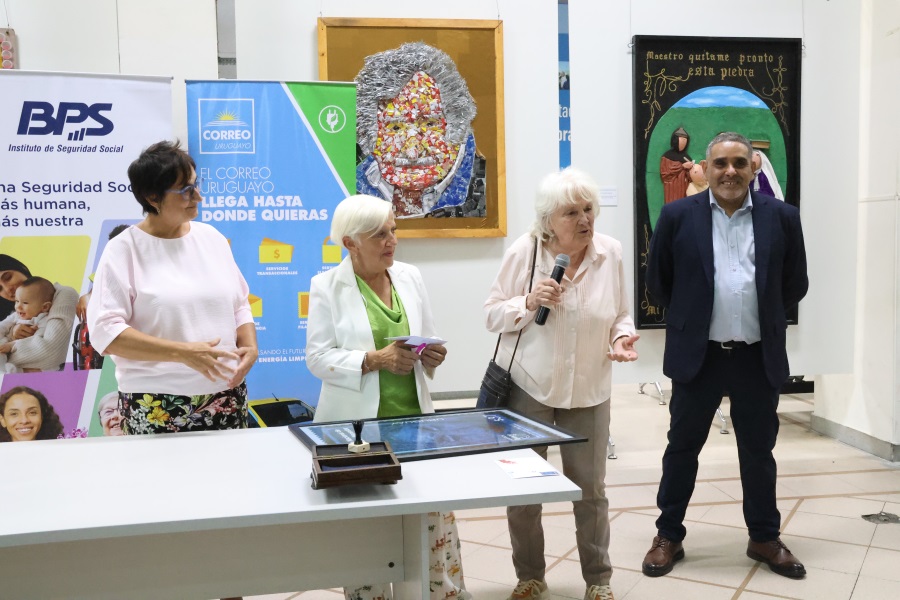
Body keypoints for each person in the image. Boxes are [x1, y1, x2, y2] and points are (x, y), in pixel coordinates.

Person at [644, 132, 809, 580]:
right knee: (682, 448)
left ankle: (764, 537)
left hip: (757, 356)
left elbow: (795, 283)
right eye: (721, 163)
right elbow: (658, 281)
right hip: (700, 356)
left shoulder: (783, 217)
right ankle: (668, 535)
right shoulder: (678, 216)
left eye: (740, 162)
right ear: (706, 167)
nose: (730, 172)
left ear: (754, 167)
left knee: (759, 450)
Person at [484, 167, 640, 600]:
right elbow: (491, 313)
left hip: (590, 389)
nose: (585, 219)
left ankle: (599, 581)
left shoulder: (611, 253)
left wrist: (622, 337)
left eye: (589, 208)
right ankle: (530, 576)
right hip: (528, 388)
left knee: (591, 491)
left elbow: (621, 313)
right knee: (524, 489)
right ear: (548, 219)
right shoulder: (525, 252)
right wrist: (528, 301)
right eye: (571, 212)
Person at [306, 194, 468, 600]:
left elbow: (427, 340)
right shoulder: (326, 286)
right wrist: (373, 359)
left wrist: (433, 354)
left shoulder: (410, 276)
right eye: (380, 234)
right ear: (350, 243)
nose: (392, 239)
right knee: (367, 530)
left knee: (428, 520)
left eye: (393, 229)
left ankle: (439, 594)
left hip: (414, 423)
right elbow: (317, 358)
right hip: (356, 433)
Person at [86, 141, 257, 435]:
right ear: (153, 197)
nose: (198, 197)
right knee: (157, 482)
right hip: (156, 404)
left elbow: (239, 303)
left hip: (227, 398)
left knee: (229, 480)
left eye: (196, 185)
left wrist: (250, 346)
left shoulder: (211, 238)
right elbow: (106, 333)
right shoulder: (123, 250)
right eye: (186, 190)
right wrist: (182, 353)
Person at [355, 42, 486, 218]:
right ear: (369, 134)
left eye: (430, 125)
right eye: (395, 128)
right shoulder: (351, 188)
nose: (412, 152)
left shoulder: (480, 187)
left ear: (457, 125)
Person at [0, 254, 78, 371]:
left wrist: (11, 350)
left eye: (7, 277)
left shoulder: (64, 294)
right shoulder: (15, 314)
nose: (7, 289)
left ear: (22, 269)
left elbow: (53, 352)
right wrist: (12, 334)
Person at [0, 276, 56, 372]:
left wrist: (12, 345)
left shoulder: (43, 320)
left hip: (26, 357)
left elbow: (38, 341)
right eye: (17, 301)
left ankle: (9, 373)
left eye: (25, 302)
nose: (18, 307)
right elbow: (3, 326)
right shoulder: (16, 315)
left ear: (45, 307)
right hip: (6, 347)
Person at [0, 386, 64, 442]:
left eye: (32, 413)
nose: (24, 421)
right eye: (14, 414)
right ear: (2, 420)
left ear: (42, 416)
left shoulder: (61, 452)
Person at [659, 126, 694, 204]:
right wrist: (682, 166)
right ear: (675, 140)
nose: (683, 142)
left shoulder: (686, 157)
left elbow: (690, 178)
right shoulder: (667, 156)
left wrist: (692, 169)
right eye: (681, 139)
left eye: (685, 140)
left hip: (684, 191)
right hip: (672, 191)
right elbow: (665, 174)